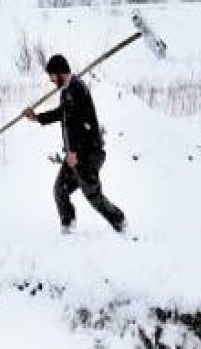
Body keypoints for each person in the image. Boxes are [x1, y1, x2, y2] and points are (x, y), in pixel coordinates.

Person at [23, 54, 128, 236]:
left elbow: (80, 126)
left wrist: (73, 152)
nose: (51, 80)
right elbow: (61, 114)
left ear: (60, 73)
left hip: (88, 153)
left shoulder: (77, 89)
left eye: (52, 75)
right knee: (60, 190)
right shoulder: (67, 91)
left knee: (93, 196)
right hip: (75, 154)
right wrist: (37, 117)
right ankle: (68, 225)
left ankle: (120, 221)